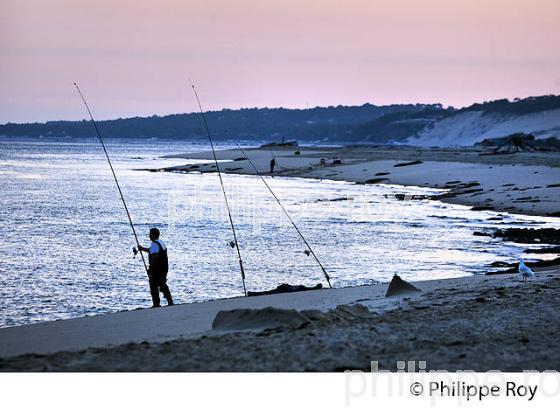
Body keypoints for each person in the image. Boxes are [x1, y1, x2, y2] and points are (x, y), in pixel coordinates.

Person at [138, 228, 174, 308]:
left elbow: (154, 257)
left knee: (153, 285)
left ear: (153, 235)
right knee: (162, 284)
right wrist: (142, 248)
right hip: (164, 268)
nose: (149, 236)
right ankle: (170, 301)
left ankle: (156, 304)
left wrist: (150, 269)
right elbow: (151, 250)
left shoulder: (154, 244)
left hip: (158, 269)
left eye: (150, 234)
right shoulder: (160, 242)